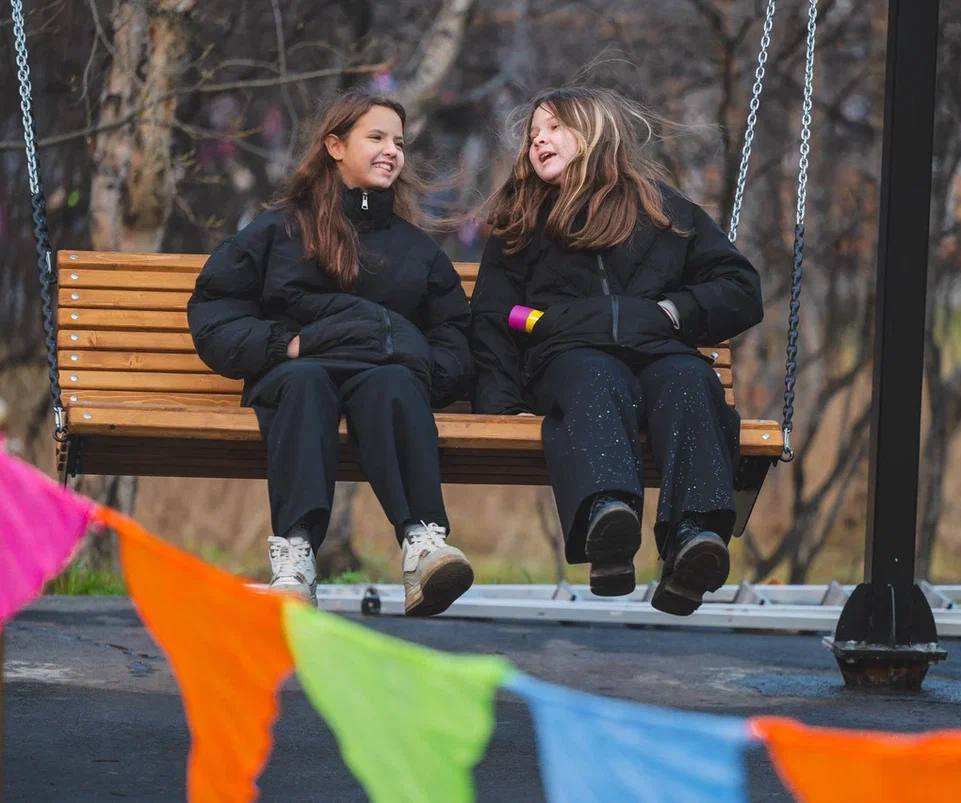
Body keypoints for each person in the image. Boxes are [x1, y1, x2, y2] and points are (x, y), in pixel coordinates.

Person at [470, 86, 763, 616]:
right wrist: (500, 402)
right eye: (533, 134)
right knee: (593, 375)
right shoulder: (524, 222)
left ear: (595, 131)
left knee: (690, 380)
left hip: (657, 349)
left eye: (554, 127)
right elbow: (493, 314)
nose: (539, 141)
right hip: (567, 358)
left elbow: (739, 288)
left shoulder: (661, 210)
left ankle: (695, 539)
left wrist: (672, 312)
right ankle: (608, 520)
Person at [188, 90, 475, 614]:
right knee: (307, 382)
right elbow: (216, 310)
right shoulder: (279, 231)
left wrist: (422, 371)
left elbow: (453, 334)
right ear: (335, 146)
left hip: (382, 380)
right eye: (377, 137)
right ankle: (295, 557)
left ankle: (422, 544)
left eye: (399, 142)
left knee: (394, 382)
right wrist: (283, 344)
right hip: (295, 375)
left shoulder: (416, 250)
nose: (392, 151)